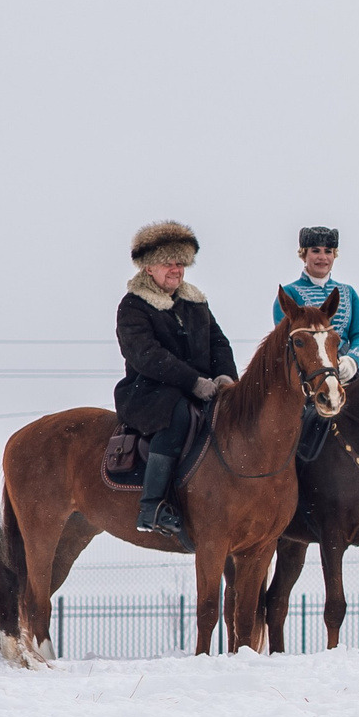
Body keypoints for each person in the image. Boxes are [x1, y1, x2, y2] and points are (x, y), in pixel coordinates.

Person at [115, 220, 238, 540]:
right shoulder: (133, 306)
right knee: (178, 415)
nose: (176, 269)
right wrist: (193, 381)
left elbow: (218, 343)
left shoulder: (195, 302)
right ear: (149, 267)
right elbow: (146, 355)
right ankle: (152, 505)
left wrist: (225, 377)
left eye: (180, 263)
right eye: (168, 262)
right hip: (149, 392)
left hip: (202, 388)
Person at [274, 226, 359, 379]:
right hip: (309, 376)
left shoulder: (348, 292)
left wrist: (352, 360)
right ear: (304, 254)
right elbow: (285, 341)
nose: (322, 257)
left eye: (328, 251)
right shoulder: (289, 293)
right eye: (316, 251)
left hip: (348, 372)